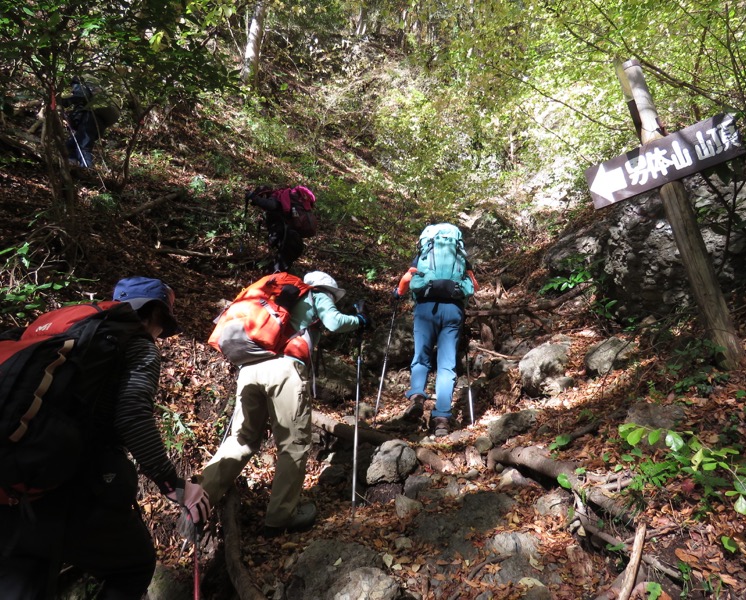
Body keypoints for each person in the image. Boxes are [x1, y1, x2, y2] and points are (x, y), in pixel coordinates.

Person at [0, 276, 209, 600]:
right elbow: (133, 418)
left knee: (26, 578)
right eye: (162, 324)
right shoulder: (137, 346)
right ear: (155, 314)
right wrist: (175, 487)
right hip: (71, 488)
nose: (160, 336)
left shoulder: (65, 335)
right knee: (134, 566)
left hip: (13, 483)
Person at [198, 271, 367, 536]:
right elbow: (334, 322)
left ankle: (200, 498)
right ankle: (281, 516)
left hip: (249, 368)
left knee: (242, 439)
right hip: (284, 370)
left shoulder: (276, 297)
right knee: (293, 444)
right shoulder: (316, 294)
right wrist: (358, 320)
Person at [393, 227, 479, 437]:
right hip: (452, 311)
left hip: (425, 309)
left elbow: (407, 279)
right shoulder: (460, 258)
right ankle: (442, 418)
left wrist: (397, 293)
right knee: (447, 365)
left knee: (421, 357)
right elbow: (474, 285)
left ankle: (417, 397)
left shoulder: (423, 255)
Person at [61, 75, 121, 168]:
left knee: (83, 147)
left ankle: (86, 169)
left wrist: (63, 102)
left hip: (93, 114)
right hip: (105, 118)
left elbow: (80, 95)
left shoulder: (80, 80)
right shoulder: (96, 84)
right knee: (72, 144)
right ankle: (72, 165)